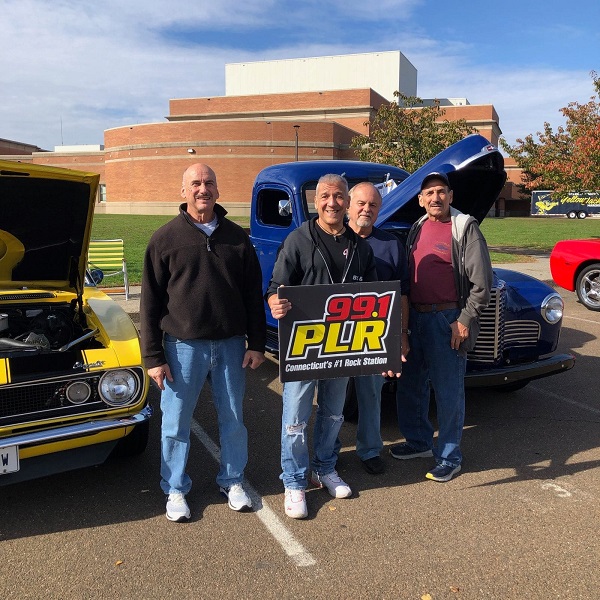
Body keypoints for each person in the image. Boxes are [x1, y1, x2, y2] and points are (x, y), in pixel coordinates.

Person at [140, 163, 266, 522]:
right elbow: (149, 303)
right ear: (183, 192)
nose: (202, 189)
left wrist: (256, 343)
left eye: (209, 182)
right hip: (181, 348)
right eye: (195, 183)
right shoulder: (164, 240)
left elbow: (252, 296)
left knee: (233, 419)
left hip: (230, 346)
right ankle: (176, 488)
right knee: (175, 423)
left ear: (217, 190)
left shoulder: (237, 239)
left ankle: (233, 480)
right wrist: (153, 356)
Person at [266, 174, 377, 519]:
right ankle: (295, 480)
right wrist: (274, 301)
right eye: (326, 196)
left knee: (333, 413)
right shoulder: (298, 239)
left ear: (347, 201)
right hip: (305, 345)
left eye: (339, 196)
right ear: (316, 202)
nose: (333, 203)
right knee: (295, 417)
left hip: (343, 346)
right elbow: (275, 286)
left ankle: (324, 467)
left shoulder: (361, 247)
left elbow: (375, 299)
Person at [390, 172, 493, 482]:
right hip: (415, 318)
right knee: (410, 385)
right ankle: (419, 442)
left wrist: (464, 320)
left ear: (451, 196)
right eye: (429, 193)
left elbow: (482, 284)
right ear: (421, 200)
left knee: (448, 392)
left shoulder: (464, 228)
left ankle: (449, 457)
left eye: (440, 192)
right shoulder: (417, 228)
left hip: (447, 320)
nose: (435, 198)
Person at [344, 182, 410, 475]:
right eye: (360, 203)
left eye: (372, 205)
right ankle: (326, 453)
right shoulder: (331, 239)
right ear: (348, 205)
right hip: (335, 335)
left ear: (380, 209)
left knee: (371, 395)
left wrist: (400, 337)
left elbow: (403, 294)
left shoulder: (391, 245)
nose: (366, 209)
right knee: (331, 401)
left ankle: (369, 450)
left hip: (373, 337)